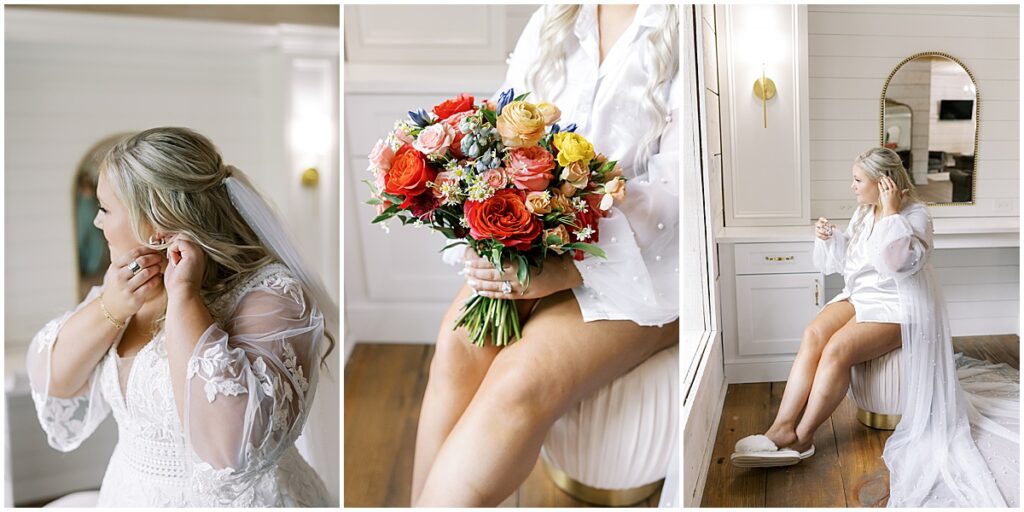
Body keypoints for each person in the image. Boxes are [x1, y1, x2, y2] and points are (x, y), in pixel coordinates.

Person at [410, 4, 680, 507]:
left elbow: (681, 194)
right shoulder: (553, 18)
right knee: (456, 344)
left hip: (652, 265)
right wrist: (493, 238)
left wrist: (569, 266)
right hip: (539, 245)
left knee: (518, 381)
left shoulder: (686, 25)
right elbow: (502, 138)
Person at [26, 127, 336, 507]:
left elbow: (229, 453)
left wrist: (185, 298)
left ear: (155, 221)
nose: (97, 222)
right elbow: (54, 381)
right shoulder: (127, 284)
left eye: (105, 209)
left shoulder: (273, 296)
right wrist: (113, 305)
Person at [731, 147, 1019, 507]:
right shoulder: (863, 213)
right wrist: (831, 238)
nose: (852, 187)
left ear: (884, 183)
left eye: (857, 180)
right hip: (862, 296)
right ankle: (781, 427)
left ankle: (803, 438)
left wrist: (893, 213)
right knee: (813, 335)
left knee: (837, 349)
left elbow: (897, 265)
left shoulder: (915, 215)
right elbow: (852, 260)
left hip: (901, 308)